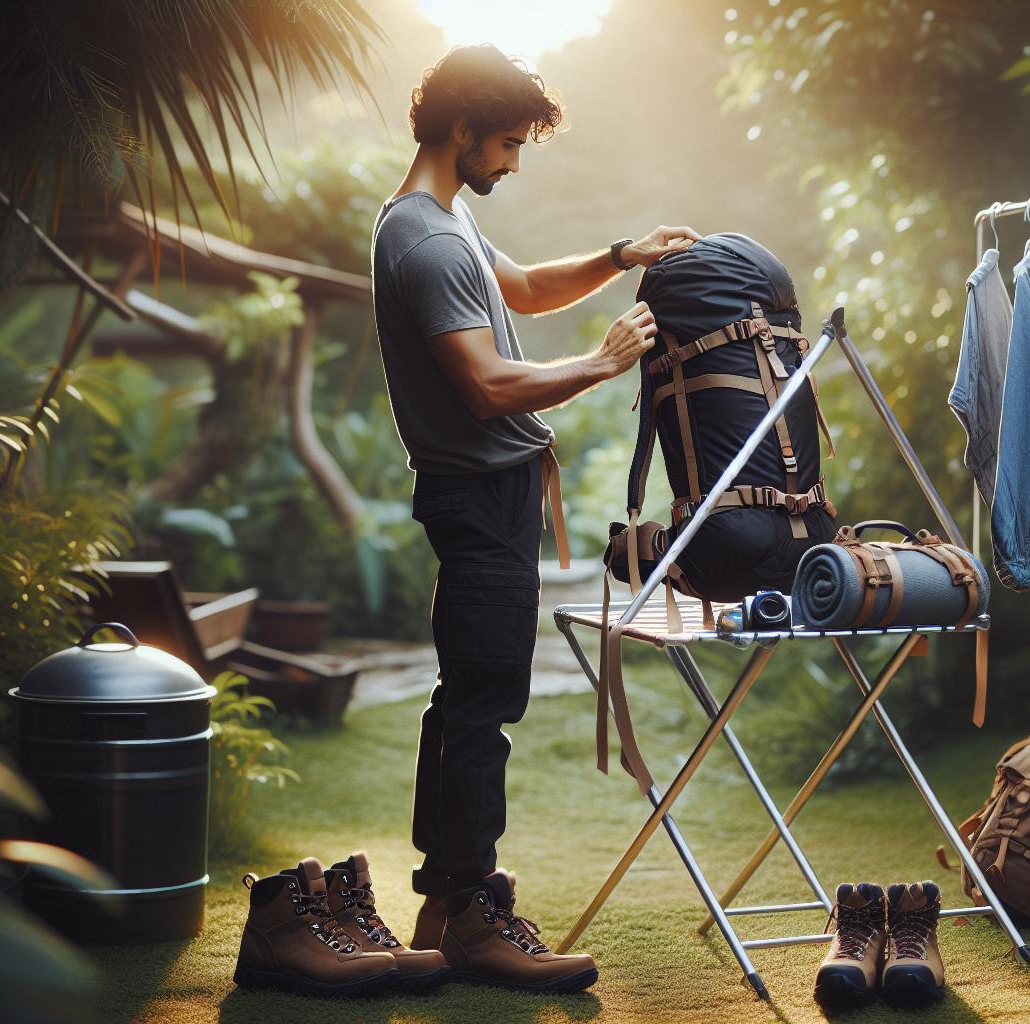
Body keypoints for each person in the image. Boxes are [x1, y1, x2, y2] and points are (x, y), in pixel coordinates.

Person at [369, 43, 700, 993]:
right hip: (479, 495)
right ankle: (471, 913)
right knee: (485, 700)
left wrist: (618, 257)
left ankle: (448, 905)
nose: (513, 162)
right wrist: (600, 364)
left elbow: (523, 290)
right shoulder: (426, 241)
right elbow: (483, 386)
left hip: (495, 494)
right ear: (462, 130)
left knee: (468, 697)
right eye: (508, 143)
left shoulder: (444, 226)